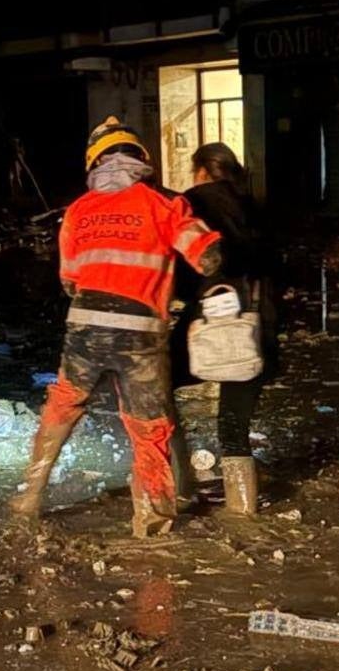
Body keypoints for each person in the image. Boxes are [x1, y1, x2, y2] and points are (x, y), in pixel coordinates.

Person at [11, 116, 222, 538]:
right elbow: (207, 257)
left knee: (61, 408)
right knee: (148, 428)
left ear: (96, 163)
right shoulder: (161, 204)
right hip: (140, 334)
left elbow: (70, 281)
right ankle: (151, 522)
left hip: (84, 329)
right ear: (140, 160)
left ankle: (29, 497)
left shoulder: (77, 211)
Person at [173, 142, 275, 516]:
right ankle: (243, 513)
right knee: (234, 425)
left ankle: (178, 487)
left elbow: (183, 272)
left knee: (158, 394)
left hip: (203, 324)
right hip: (256, 321)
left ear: (200, 170)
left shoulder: (188, 204)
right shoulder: (257, 207)